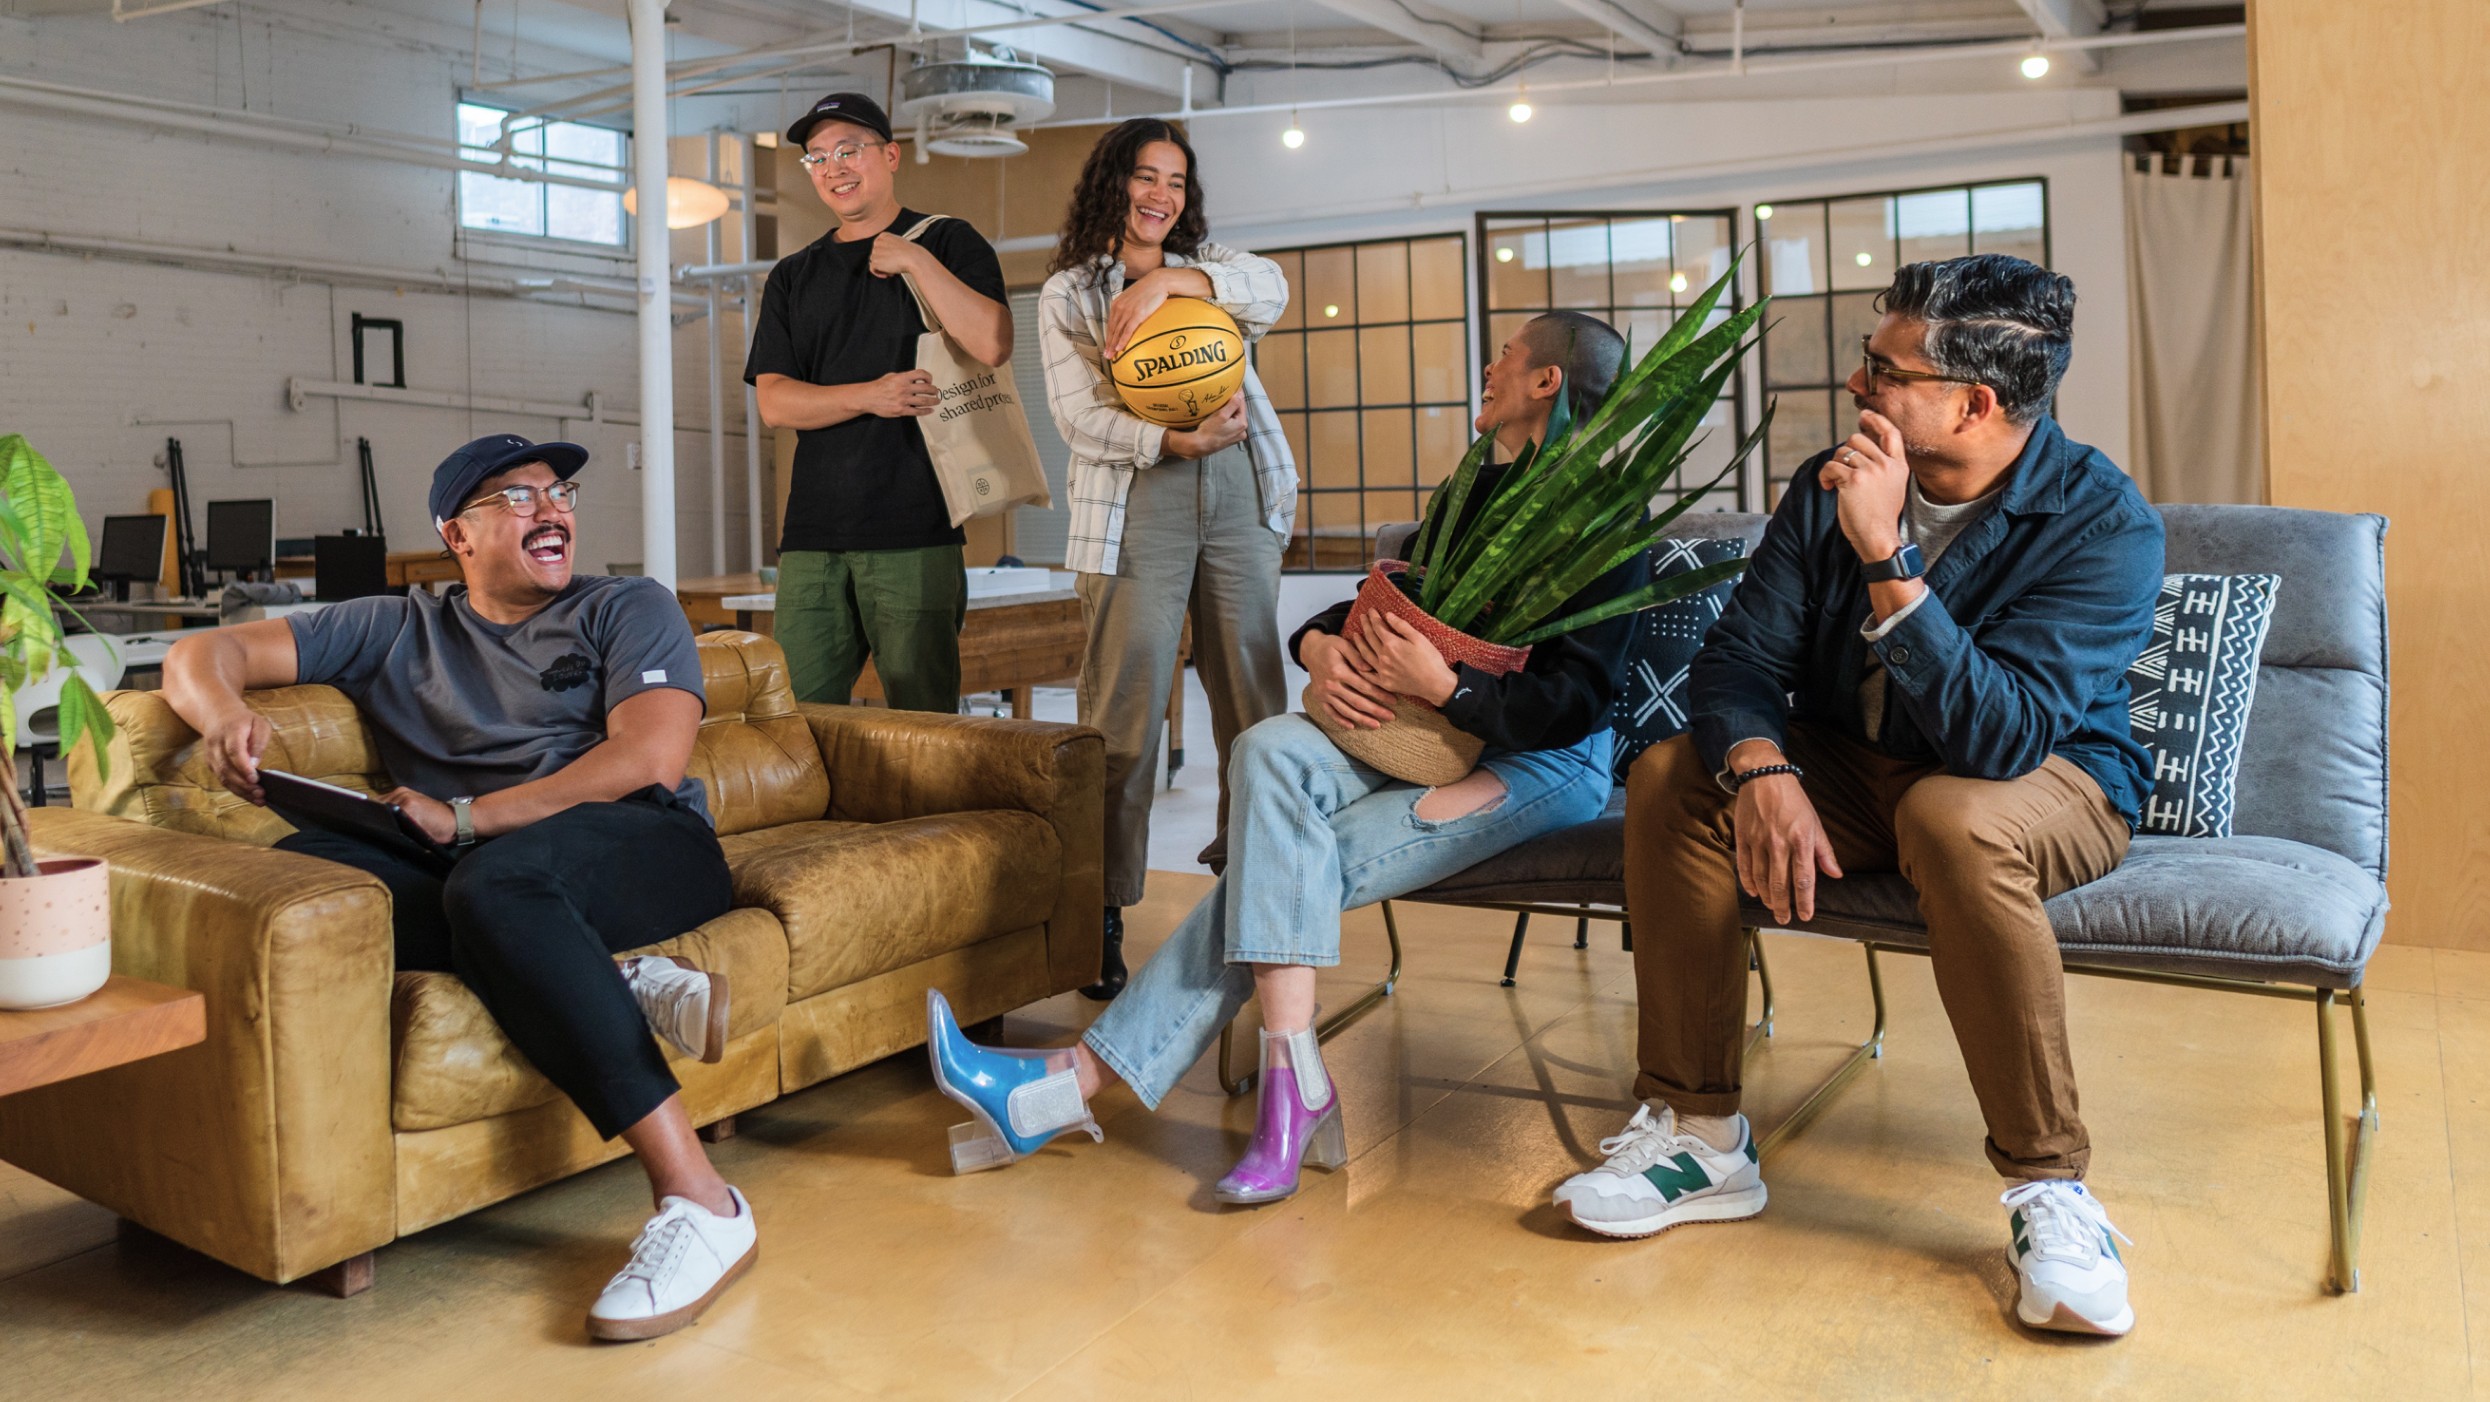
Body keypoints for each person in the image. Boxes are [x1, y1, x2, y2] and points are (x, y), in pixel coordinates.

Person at [1553, 255, 2163, 1338]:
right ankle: (1702, 1133)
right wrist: (1764, 769)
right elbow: (1738, 661)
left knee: (1950, 814)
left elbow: (2000, 736)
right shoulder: (1824, 480)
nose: (1856, 385)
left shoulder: (2104, 523)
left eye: (1883, 368)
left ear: (1974, 402)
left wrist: (1885, 549)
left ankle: (2049, 1187)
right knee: (1670, 776)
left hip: (2048, 781)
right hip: (1857, 764)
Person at [925, 312, 1647, 1204]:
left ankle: (1080, 1085)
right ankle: (1294, 1082)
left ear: (1545, 383)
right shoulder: (1475, 490)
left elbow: (1577, 703)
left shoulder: (1608, 520)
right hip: (1422, 735)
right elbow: (1375, 605)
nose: (1490, 365)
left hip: (1540, 766)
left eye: (1507, 353)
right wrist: (1320, 650)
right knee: (1266, 747)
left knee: (1282, 866)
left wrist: (1449, 687)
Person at [161, 433, 756, 1342]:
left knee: (495, 888)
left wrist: (466, 817)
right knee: (309, 878)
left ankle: (702, 1202)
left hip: (647, 843)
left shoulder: (627, 605)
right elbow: (201, 654)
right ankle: (602, 976)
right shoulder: (396, 626)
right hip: (481, 872)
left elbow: (649, 757)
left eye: (558, 491)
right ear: (456, 534)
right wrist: (227, 713)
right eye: (517, 498)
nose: (551, 509)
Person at [1033, 118, 1299, 1001]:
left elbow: (1275, 288)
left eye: (1176, 181)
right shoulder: (1071, 293)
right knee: (1124, 714)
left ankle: (1249, 893)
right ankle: (1102, 912)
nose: (1160, 195)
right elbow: (1078, 420)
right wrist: (1167, 440)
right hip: (1136, 497)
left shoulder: (1214, 268)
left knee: (1254, 706)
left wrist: (1184, 278)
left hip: (1238, 492)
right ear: (1113, 183)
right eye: (1145, 177)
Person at [746, 91, 1012, 714]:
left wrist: (916, 260)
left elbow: (992, 343)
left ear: (890, 155)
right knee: (798, 721)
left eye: (848, 150)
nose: (833, 167)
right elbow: (777, 404)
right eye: (817, 158)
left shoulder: (948, 241)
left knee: (924, 723)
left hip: (916, 527)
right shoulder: (793, 275)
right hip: (812, 535)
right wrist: (874, 395)